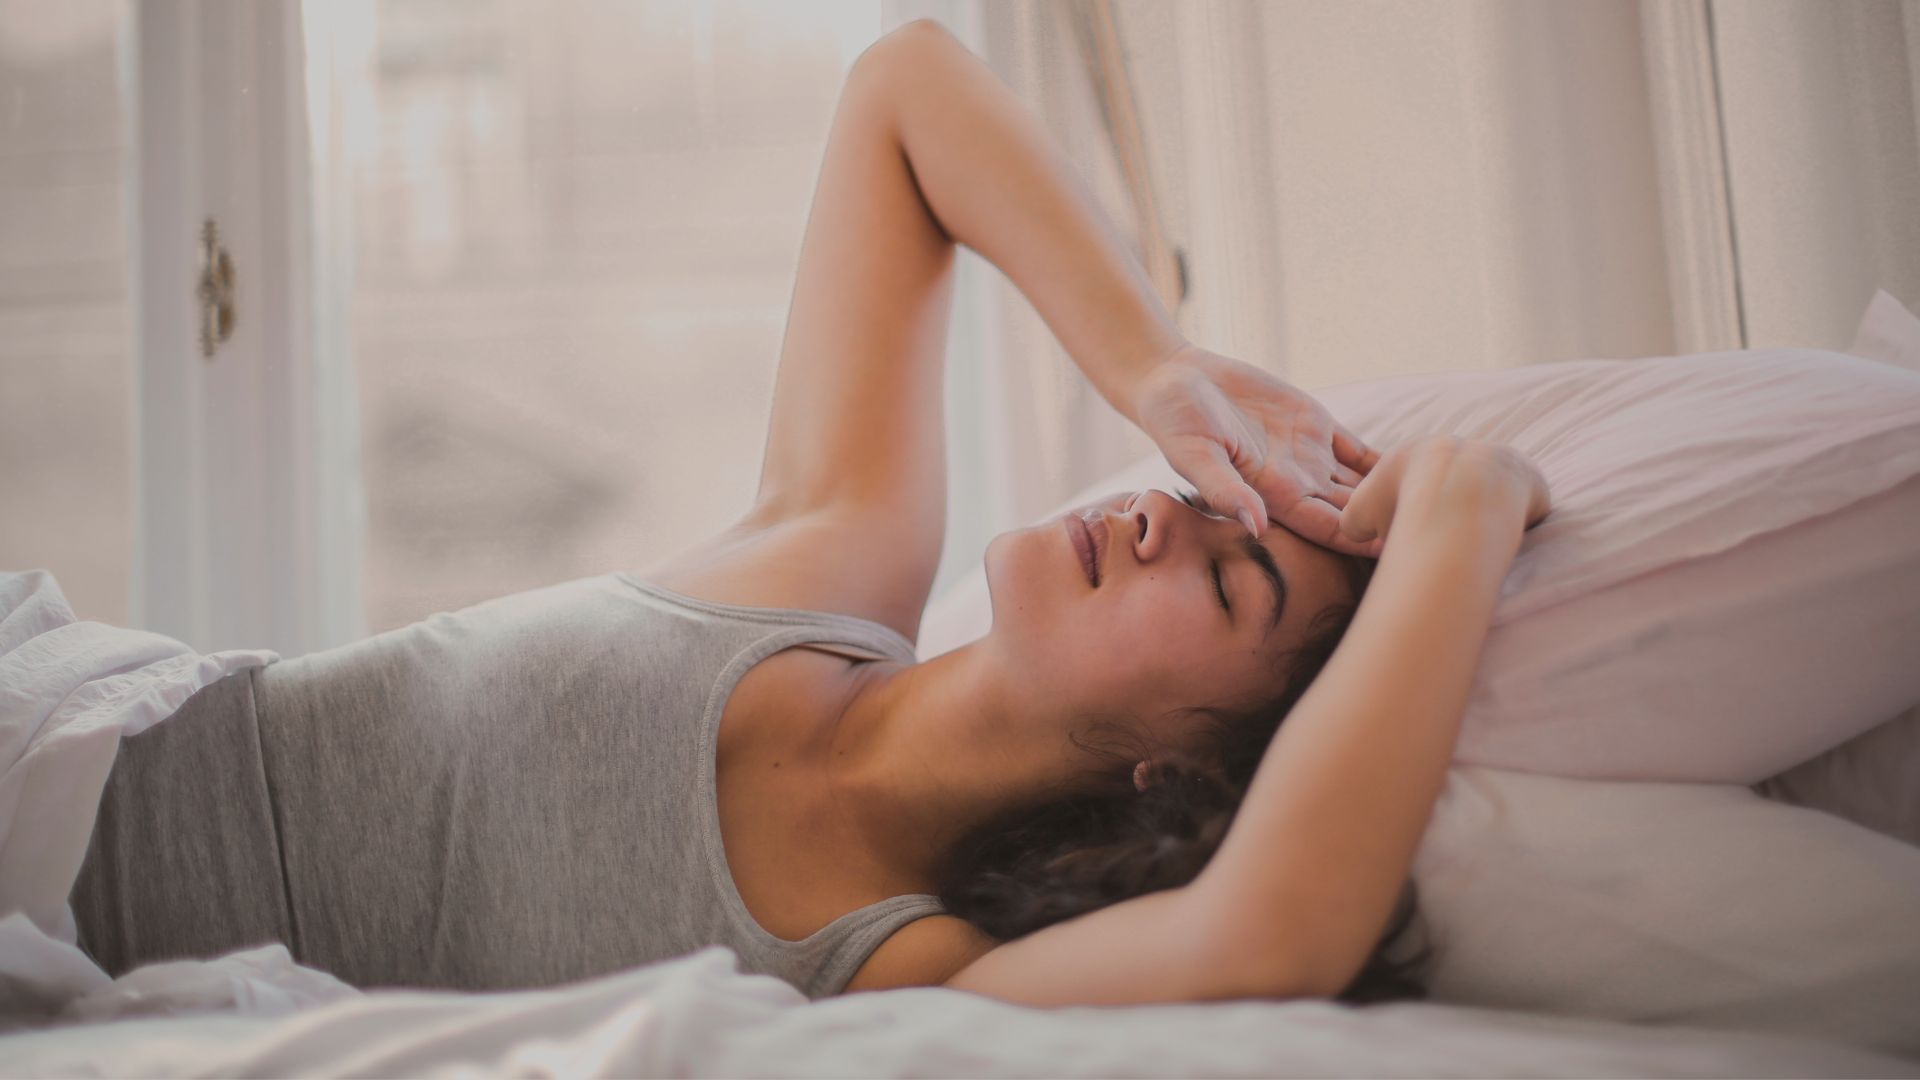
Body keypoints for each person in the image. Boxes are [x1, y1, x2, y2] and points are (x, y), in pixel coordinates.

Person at [69, 18, 1549, 1007]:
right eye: (1206, 497)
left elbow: (1276, 930)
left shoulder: (899, 965)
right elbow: (907, 87)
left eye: (1229, 585)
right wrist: (1155, 364)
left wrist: (1461, 517)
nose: (1172, 513)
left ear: (1176, 772)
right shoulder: (827, 565)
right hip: (63, 734)